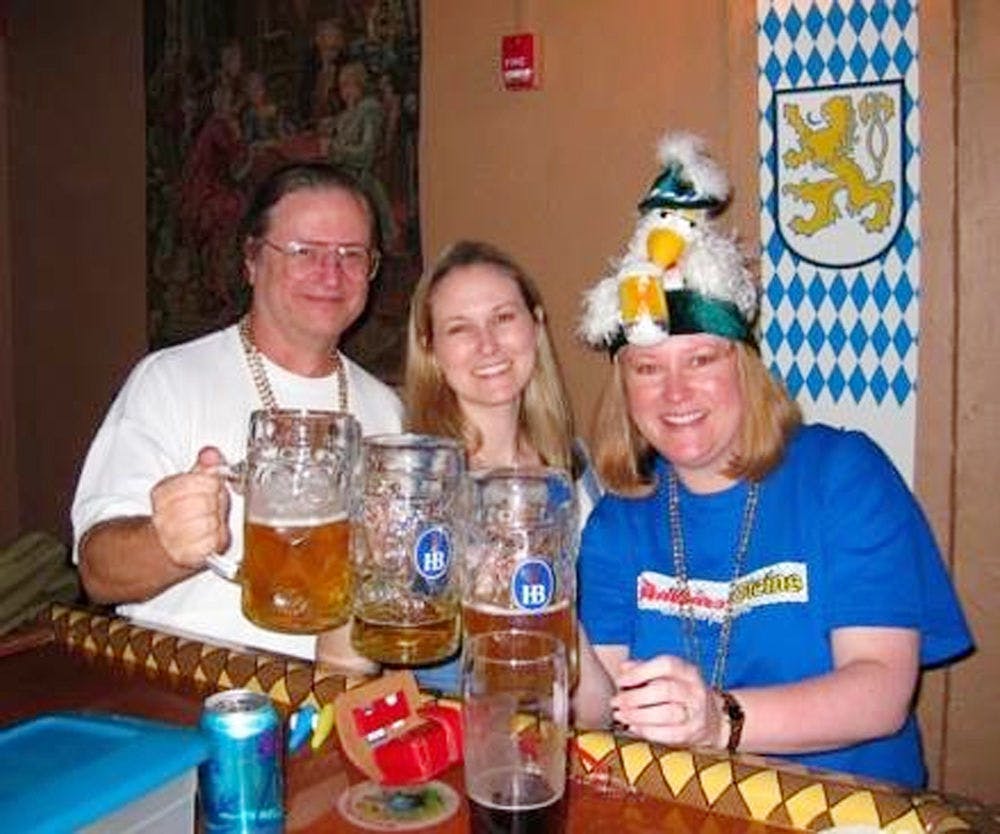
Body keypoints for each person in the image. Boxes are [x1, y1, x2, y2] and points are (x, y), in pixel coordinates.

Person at [572, 133, 972, 787]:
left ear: (746, 367)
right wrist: (543, 615)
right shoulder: (620, 521)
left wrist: (719, 721)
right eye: (648, 369)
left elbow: (881, 690)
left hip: (846, 810)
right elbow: (599, 707)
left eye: (701, 359)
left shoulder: (844, 475)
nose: (674, 394)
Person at [73, 162, 403, 668]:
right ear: (252, 260)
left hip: (332, 702)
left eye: (351, 255)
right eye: (304, 252)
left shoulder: (386, 409)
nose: (331, 274)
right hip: (183, 691)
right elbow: (97, 571)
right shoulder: (170, 379)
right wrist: (169, 546)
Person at [404, 239, 603, 692]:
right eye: (460, 329)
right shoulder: (416, 485)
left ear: (535, 325)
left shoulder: (575, 465)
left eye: (503, 318)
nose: (488, 344)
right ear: (431, 349)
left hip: (568, 734)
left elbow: (592, 685)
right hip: (457, 741)